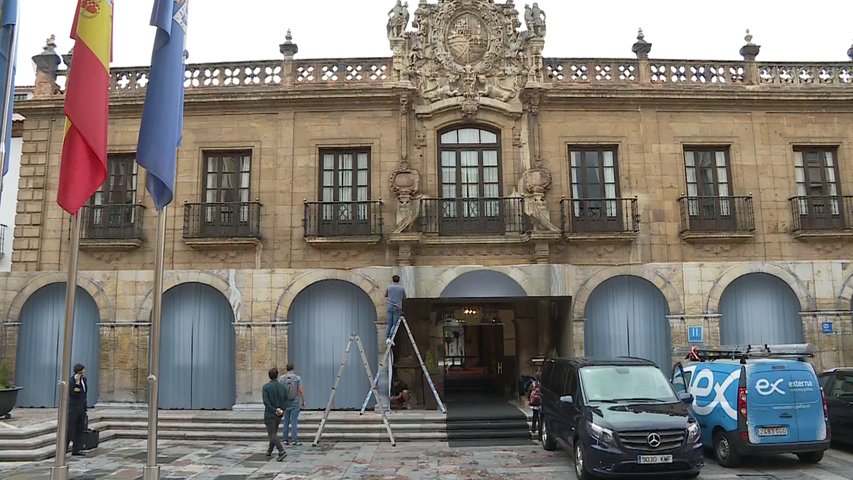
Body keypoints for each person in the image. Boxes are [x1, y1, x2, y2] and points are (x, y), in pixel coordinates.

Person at [262, 367, 287, 461]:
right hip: (279, 414)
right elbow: (286, 400)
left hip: (270, 413)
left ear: (269, 376)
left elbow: (266, 402)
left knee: (272, 434)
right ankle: (270, 450)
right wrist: (282, 410)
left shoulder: (266, 387)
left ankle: (281, 451)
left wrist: (274, 410)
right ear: (277, 376)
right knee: (274, 432)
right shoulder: (282, 387)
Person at [279, 364, 305, 446]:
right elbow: (300, 390)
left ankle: (285, 440)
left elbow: (279, 391)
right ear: (293, 369)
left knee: (286, 421)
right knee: (294, 421)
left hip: (285, 403)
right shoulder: (297, 378)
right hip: (295, 402)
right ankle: (294, 440)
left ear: (286, 369)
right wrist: (303, 401)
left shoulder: (281, 378)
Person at [67, 363, 88, 456]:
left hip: (81, 408)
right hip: (73, 408)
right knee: (70, 429)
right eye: (81, 371)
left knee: (80, 429)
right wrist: (77, 383)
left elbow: (83, 394)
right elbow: (74, 393)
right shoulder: (72, 381)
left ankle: (77, 449)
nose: (83, 373)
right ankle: (64, 448)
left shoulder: (84, 380)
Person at [385, 274, 407, 344]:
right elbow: (404, 297)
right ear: (399, 280)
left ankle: (387, 337)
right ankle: (391, 338)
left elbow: (386, 295)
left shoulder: (389, 287)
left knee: (389, 324)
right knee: (394, 324)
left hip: (389, 306)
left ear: (392, 279)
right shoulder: (401, 288)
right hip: (397, 307)